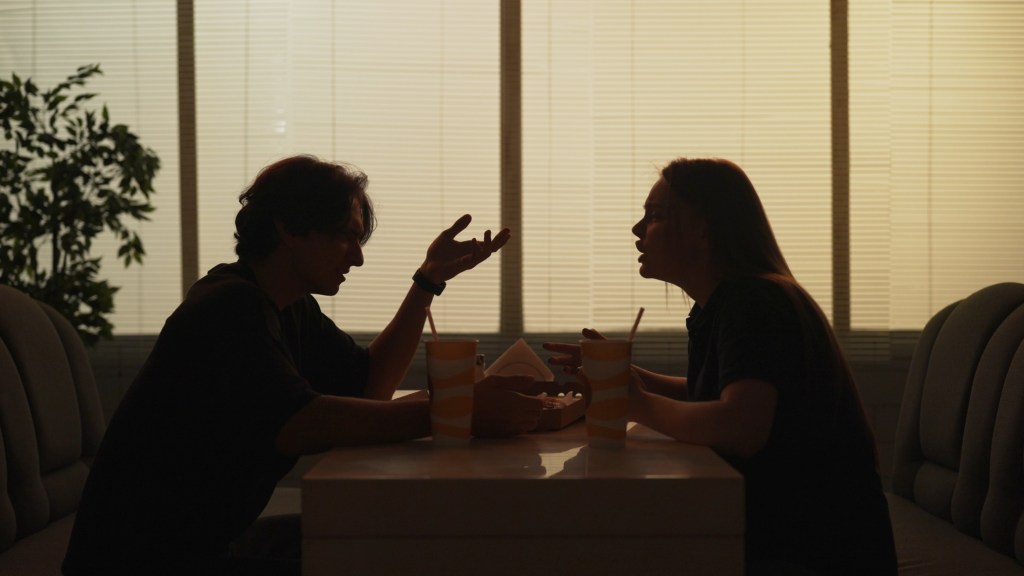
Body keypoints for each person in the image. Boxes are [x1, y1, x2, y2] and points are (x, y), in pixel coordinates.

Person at [62, 154, 543, 576]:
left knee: (394, 538)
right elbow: (298, 424)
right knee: (391, 554)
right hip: (145, 562)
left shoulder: (288, 306)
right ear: (289, 228)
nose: (356, 258)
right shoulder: (229, 306)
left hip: (203, 546)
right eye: (345, 238)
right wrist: (456, 413)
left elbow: (369, 386)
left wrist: (427, 282)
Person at [545, 158, 897, 575]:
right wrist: (637, 380)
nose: (638, 230)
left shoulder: (755, 304)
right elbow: (716, 392)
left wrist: (636, 404)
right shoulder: (728, 303)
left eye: (655, 216)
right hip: (789, 534)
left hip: (813, 553)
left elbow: (740, 427)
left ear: (703, 230)